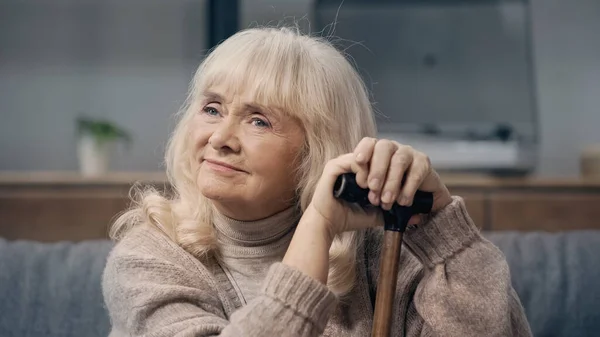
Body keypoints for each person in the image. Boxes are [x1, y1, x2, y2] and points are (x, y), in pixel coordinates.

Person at [102, 26, 532, 337]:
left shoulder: (384, 254)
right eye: (212, 109)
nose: (219, 139)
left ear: (317, 153)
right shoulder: (149, 258)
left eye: (258, 120)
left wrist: (441, 228)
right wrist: (316, 226)